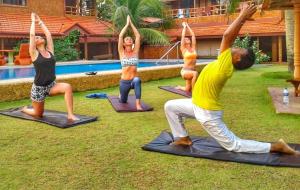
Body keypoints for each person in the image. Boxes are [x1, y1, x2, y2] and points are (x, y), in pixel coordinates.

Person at [164, 4, 299, 155]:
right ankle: (182, 138)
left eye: (238, 49)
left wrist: (242, 16)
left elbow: (227, 36)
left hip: (207, 112)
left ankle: (275, 147)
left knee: (234, 145)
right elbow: (229, 38)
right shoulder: (223, 62)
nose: (233, 47)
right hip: (196, 104)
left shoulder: (225, 66)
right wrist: (242, 19)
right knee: (170, 106)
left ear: (237, 57)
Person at [22, 13, 78, 121]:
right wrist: (33, 21)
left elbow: (48, 34)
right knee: (38, 114)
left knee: (67, 87)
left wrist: (40, 21)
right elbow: (32, 36)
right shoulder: (34, 53)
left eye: (40, 37)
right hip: (38, 88)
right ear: (35, 43)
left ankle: (70, 115)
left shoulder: (50, 51)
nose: (39, 37)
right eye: (37, 38)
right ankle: (25, 109)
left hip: (51, 85)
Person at [118, 15, 142, 110]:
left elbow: (137, 36)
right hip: (124, 82)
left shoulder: (135, 52)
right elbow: (120, 36)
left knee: (137, 80)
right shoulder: (121, 52)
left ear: (132, 43)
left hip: (133, 81)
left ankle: (138, 104)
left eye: (130, 39)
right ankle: (121, 94)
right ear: (123, 43)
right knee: (123, 101)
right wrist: (127, 24)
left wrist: (131, 23)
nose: (129, 40)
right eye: (127, 39)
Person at [176, 22, 198, 93]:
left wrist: (188, 26)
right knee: (195, 73)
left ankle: (180, 87)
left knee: (187, 89)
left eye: (188, 38)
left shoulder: (193, 48)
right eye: (186, 39)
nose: (187, 39)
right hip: (185, 71)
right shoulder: (184, 49)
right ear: (184, 43)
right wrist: (184, 27)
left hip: (191, 71)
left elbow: (193, 35)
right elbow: (182, 36)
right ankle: (195, 92)